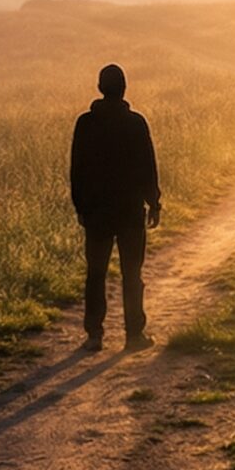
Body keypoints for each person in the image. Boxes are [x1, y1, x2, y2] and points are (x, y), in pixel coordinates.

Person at [70, 62, 161, 350]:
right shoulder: (135, 123)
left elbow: (77, 170)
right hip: (130, 211)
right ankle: (134, 335)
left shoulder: (85, 123)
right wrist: (154, 202)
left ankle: (94, 335)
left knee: (96, 274)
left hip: (96, 212)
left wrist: (80, 207)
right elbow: (148, 167)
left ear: (99, 88)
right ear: (124, 89)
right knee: (132, 274)